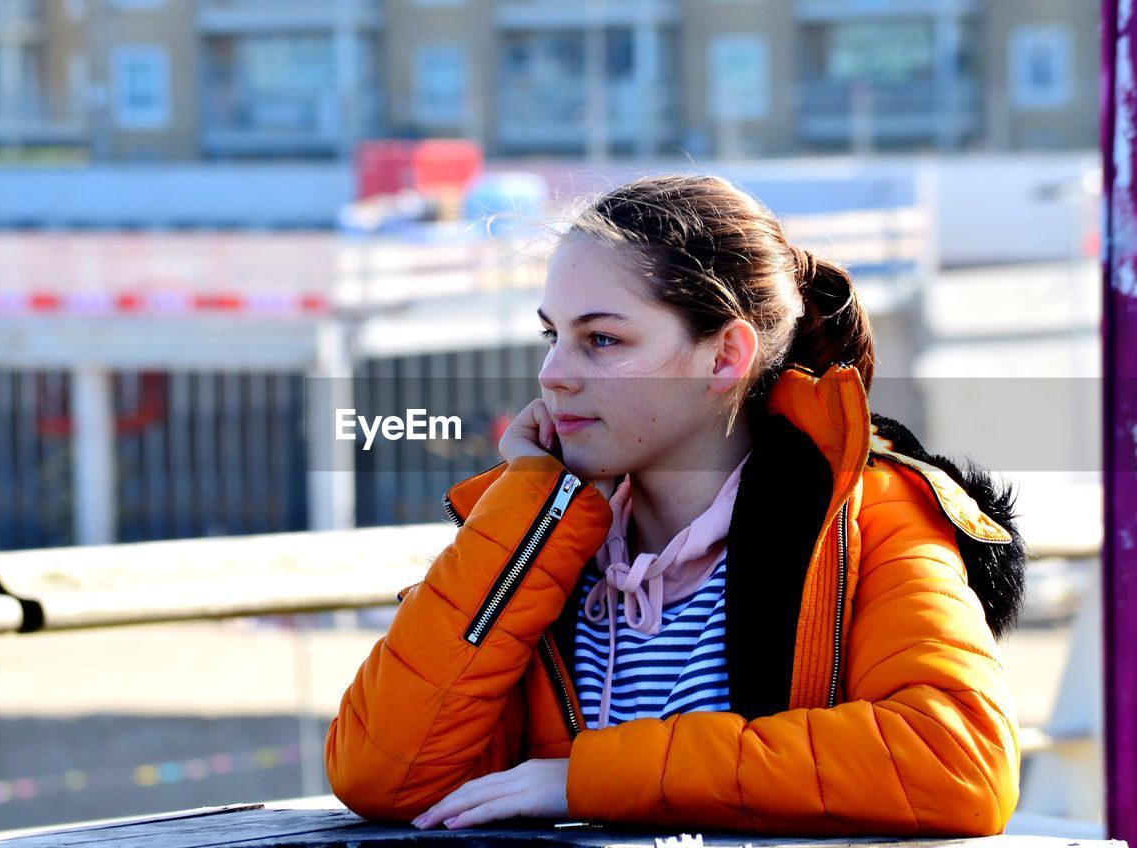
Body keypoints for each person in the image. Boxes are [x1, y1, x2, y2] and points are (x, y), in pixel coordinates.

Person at [324, 174, 1026, 836]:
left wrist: (585, 780)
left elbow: (957, 762)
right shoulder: (548, 541)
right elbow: (380, 773)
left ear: (725, 357)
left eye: (602, 339)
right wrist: (532, 508)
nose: (553, 374)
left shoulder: (869, 517)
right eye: (552, 335)